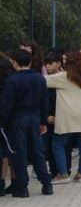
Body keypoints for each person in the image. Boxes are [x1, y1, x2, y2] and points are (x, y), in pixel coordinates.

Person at [1, 49, 54, 197]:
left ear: (14, 63)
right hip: (35, 118)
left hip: (17, 120)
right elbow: (45, 101)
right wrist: (43, 120)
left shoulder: (12, 80)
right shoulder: (39, 78)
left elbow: (6, 105)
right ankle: (47, 184)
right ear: (30, 62)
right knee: (37, 152)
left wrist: (3, 121)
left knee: (20, 153)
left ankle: (22, 188)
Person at [45, 51, 81, 183]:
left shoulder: (64, 76)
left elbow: (43, 81)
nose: (63, 62)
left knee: (58, 144)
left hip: (67, 115)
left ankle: (63, 174)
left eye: (65, 60)